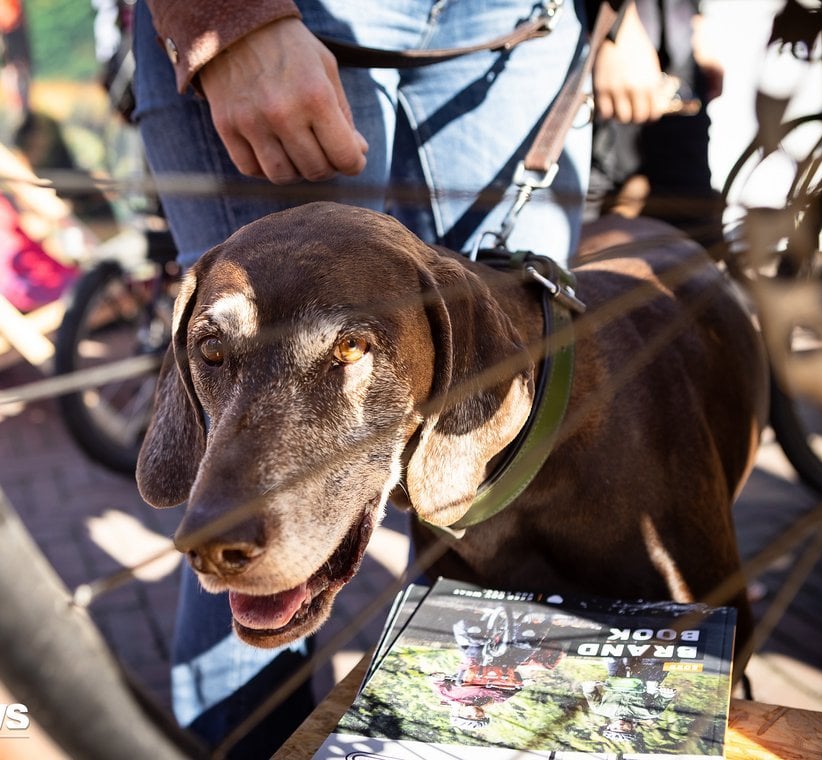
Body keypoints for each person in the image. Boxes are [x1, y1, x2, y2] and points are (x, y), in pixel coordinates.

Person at [131, 1, 595, 755]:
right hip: (284, 16)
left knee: (502, 448)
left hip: (520, 22)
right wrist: (225, 16)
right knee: (245, 488)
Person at [585, 0, 726, 247]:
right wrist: (615, 27)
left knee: (695, 229)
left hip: (676, 39)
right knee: (577, 234)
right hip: (605, 35)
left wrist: (696, 20)